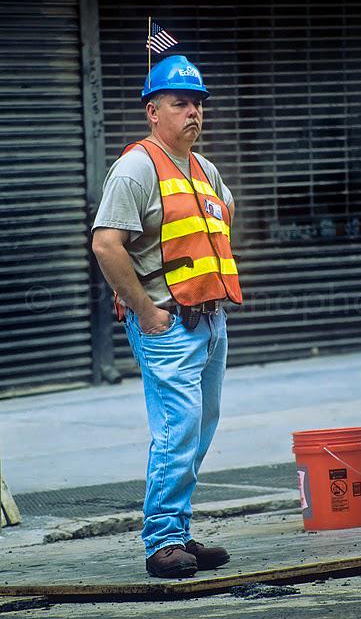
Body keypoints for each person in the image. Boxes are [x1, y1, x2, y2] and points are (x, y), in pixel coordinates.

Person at [92, 55, 242, 578]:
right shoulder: (136, 166)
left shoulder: (205, 168)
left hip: (210, 318)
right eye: (181, 103)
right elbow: (106, 244)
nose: (193, 112)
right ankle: (162, 543)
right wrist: (145, 309)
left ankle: (178, 531)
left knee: (198, 430)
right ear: (153, 111)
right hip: (169, 324)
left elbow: (224, 219)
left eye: (198, 103)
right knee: (177, 431)